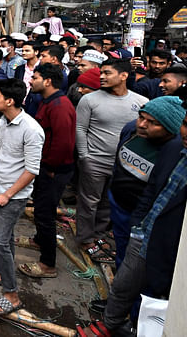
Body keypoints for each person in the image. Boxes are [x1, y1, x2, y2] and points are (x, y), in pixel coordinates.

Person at [102, 100, 187, 335]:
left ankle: (137, 321)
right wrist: (136, 225)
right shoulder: (171, 149)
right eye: (142, 118)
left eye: (152, 123)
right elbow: (151, 191)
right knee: (123, 279)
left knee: (150, 291)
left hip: (165, 245)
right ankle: (115, 317)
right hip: (137, 226)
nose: (142, 125)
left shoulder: (170, 146)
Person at [0, 78, 44, 316]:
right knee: (5, 237)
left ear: (10, 100)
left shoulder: (32, 130)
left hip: (13, 196)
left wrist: (7, 194)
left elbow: (32, 170)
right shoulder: (4, 121)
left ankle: (12, 294)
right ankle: (2, 273)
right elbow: (4, 154)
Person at [75, 58, 148, 261]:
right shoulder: (89, 100)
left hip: (123, 165)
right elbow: (80, 129)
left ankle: (99, 235)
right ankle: (85, 238)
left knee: (109, 203)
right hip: (94, 161)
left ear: (123, 75)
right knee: (89, 201)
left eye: (107, 73)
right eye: (101, 73)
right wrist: (84, 156)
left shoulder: (141, 103)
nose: (102, 77)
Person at [18, 64, 76, 278]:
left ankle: (47, 264)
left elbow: (63, 143)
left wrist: (50, 168)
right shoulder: (47, 101)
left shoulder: (59, 106)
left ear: (48, 81)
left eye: (35, 77)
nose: (31, 80)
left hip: (54, 170)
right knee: (43, 210)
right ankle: (39, 240)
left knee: (44, 213)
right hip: (46, 166)